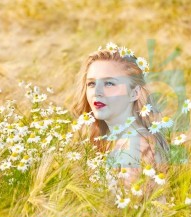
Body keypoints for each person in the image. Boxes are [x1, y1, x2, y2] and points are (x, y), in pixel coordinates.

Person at [71, 42, 170, 187]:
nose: (97, 92)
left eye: (109, 83)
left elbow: (129, 209)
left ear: (134, 93)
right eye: (91, 84)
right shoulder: (123, 139)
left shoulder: (135, 148)